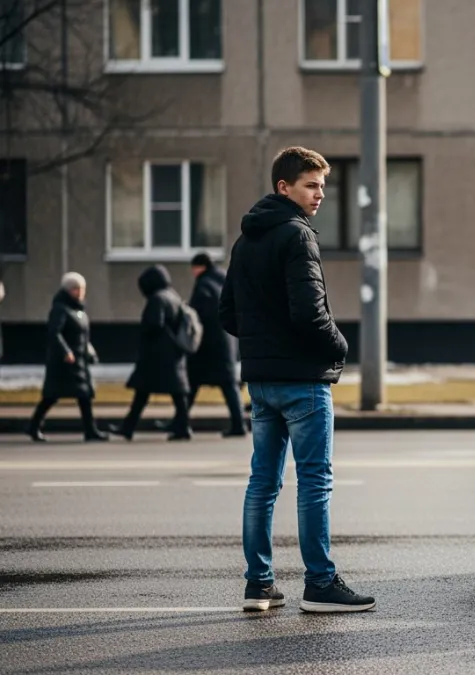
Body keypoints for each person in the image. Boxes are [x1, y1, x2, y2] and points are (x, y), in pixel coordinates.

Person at [219, 146, 374, 613]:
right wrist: (340, 347)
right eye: (311, 185)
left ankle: (259, 585)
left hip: (262, 381)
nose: (320, 194)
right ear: (283, 187)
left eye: (323, 186)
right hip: (303, 380)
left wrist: (265, 342)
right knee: (314, 482)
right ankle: (320, 584)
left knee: (262, 483)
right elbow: (309, 314)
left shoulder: (245, 242)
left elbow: (228, 314)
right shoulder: (297, 236)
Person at [111, 265, 193, 442]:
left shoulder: (157, 299)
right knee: (176, 394)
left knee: (143, 392)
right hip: (173, 353)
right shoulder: (173, 296)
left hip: (157, 355)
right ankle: (182, 427)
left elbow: (154, 324)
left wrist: (144, 338)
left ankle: (128, 428)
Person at [26, 273, 109, 442]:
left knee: (84, 396)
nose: (80, 292)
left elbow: (84, 336)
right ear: (69, 290)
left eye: (82, 289)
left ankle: (90, 430)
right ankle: (33, 426)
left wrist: (90, 352)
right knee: (51, 396)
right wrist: (66, 351)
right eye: (76, 289)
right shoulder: (60, 309)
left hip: (79, 361)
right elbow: (54, 333)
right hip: (63, 363)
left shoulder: (79, 311)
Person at [186, 252, 246, 437]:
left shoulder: (204, 284)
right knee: (228, 385)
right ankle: (239, 424)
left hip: (209, 344)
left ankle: (180, 422)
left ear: (200, 267)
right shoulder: (223, 280)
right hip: (227, 341)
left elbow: (200, 314)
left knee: (192, 382)